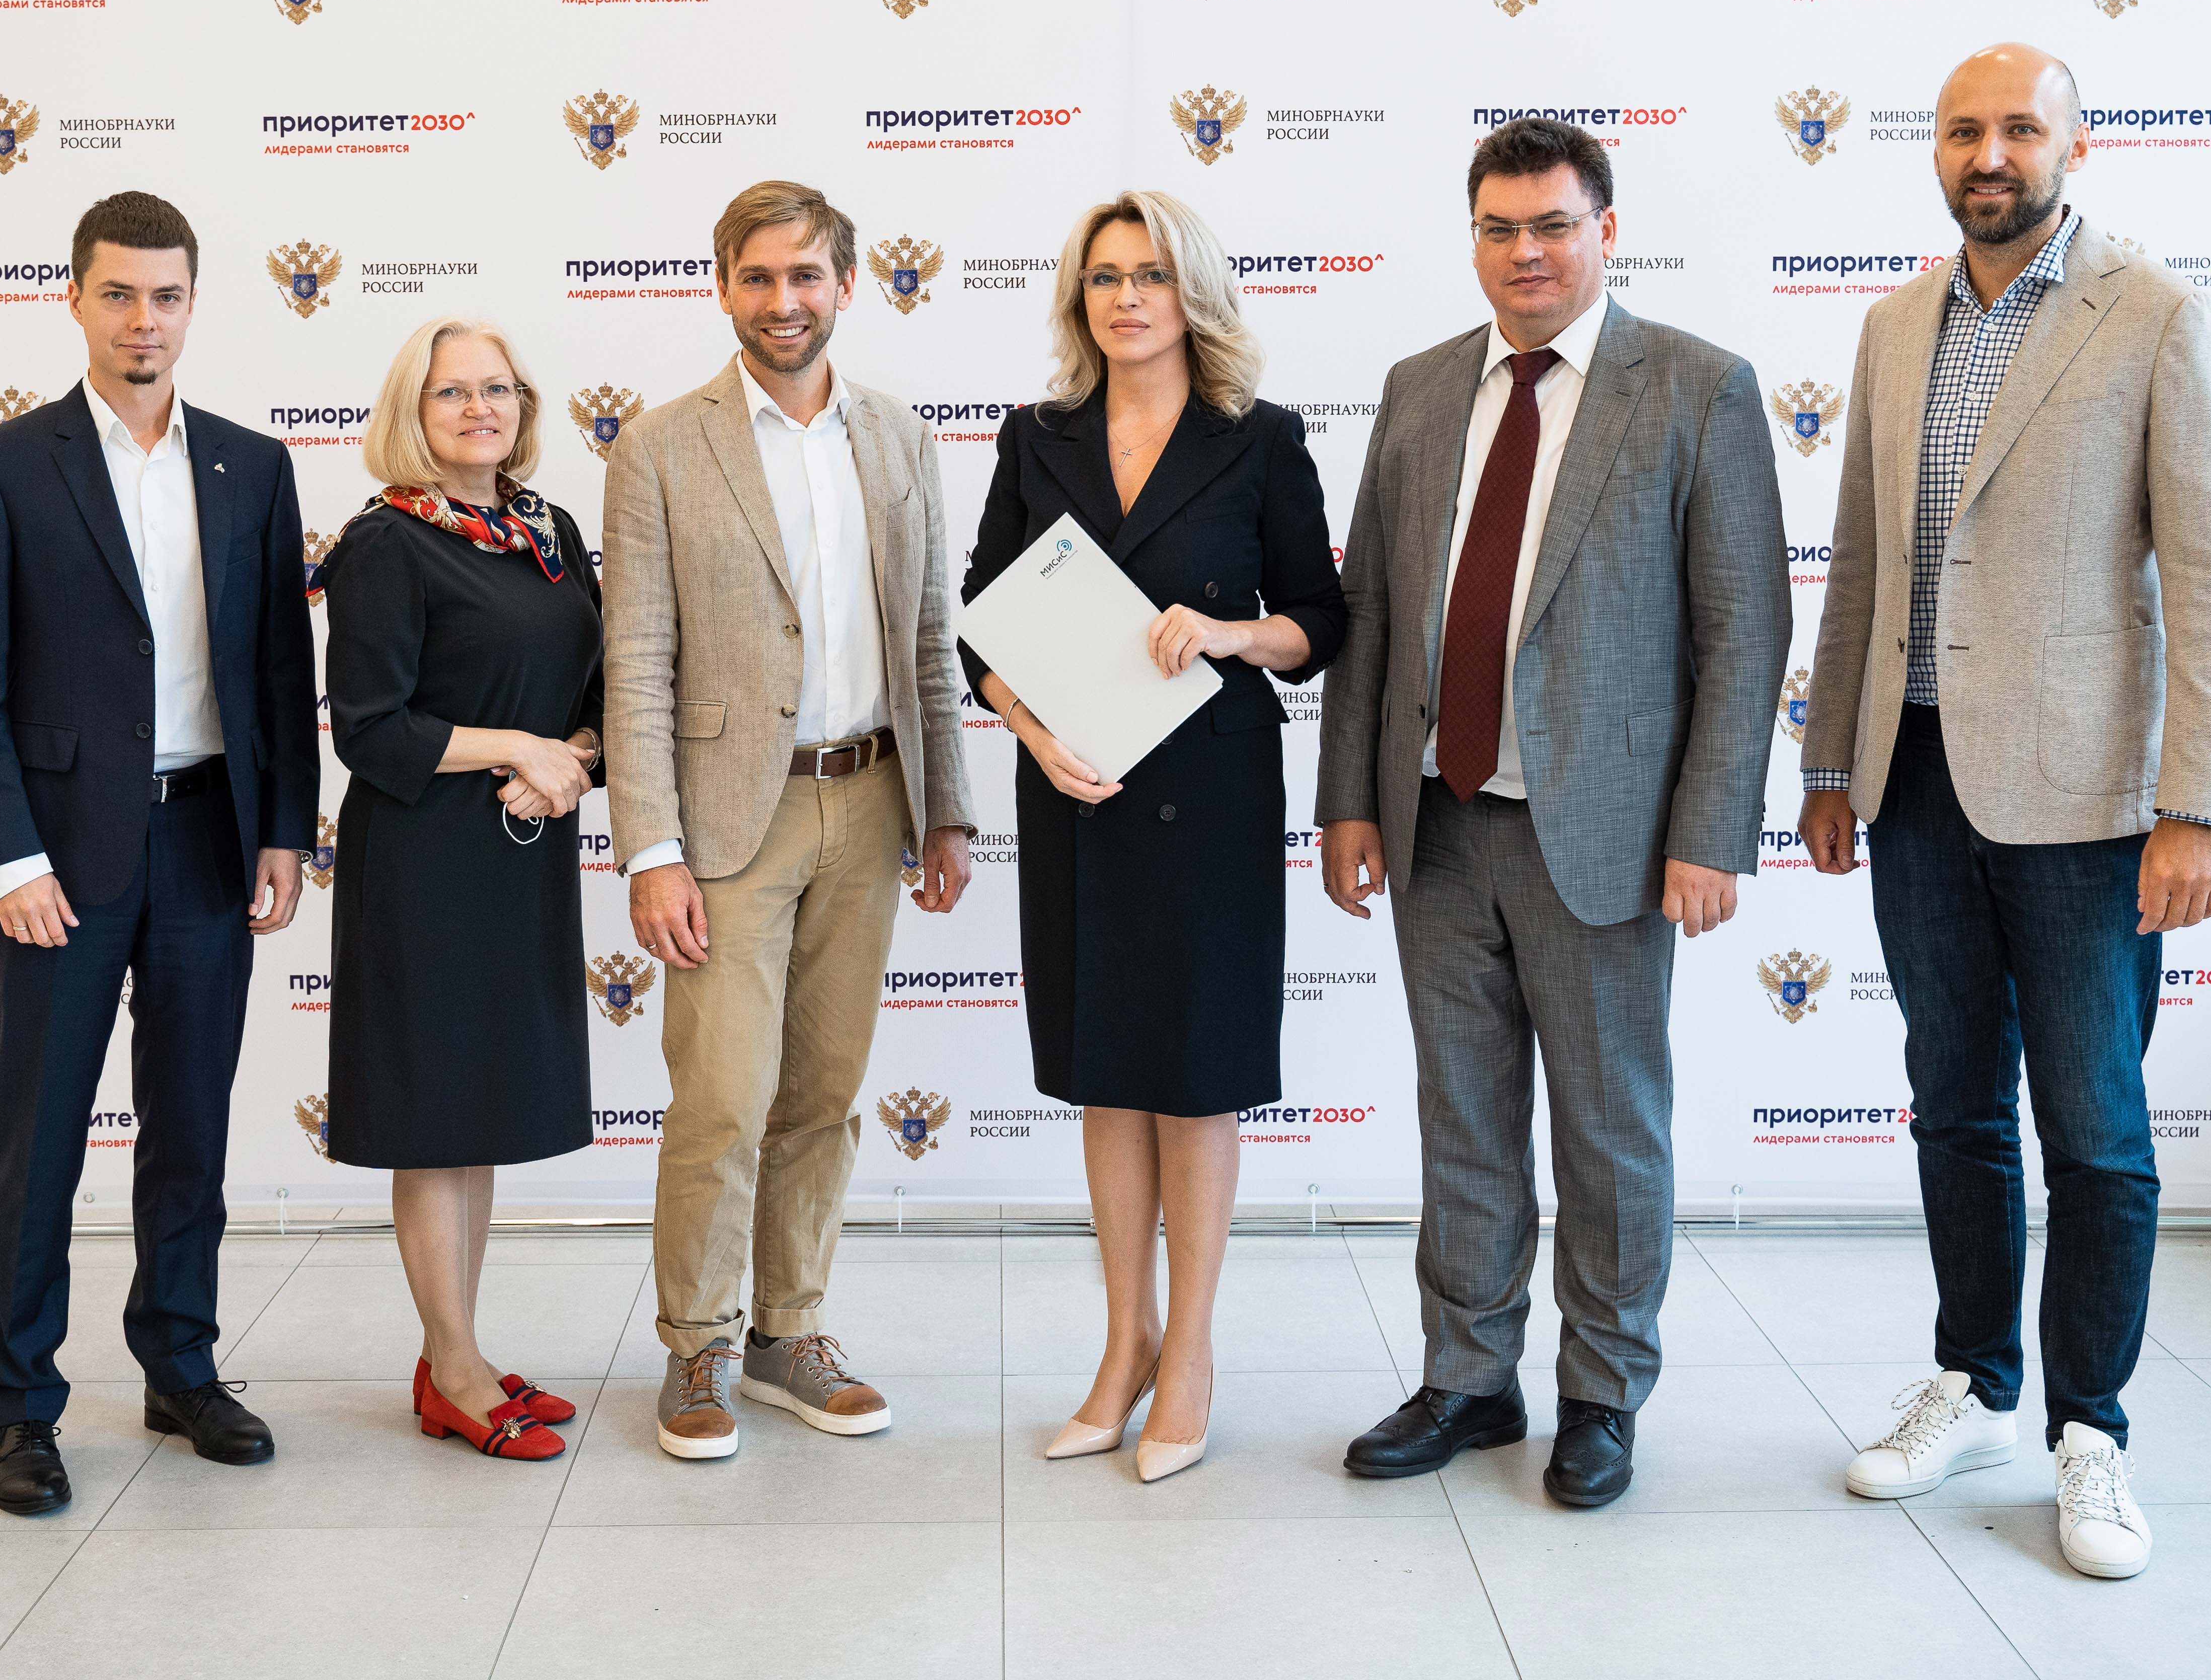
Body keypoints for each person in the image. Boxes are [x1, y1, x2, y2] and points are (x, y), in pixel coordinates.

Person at [1798, 43, 2211, 1581]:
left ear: (2076, 144)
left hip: (2089, 800)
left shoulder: (2159, 314)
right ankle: (1979, 1383)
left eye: (2016, 129)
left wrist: (2198, 807)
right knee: (1954, 1104)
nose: (1987, 154)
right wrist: (1829, 762)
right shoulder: (1893, 323)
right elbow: (1863, 563)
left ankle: (2092, 1430)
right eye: (1961, 130)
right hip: (1916, 782)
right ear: (1935, 150)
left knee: (2098, 1131)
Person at [1316, 119, 1790, 1507]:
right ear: (1473, 238)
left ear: (1606, 230)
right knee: (1462, 1121)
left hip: (1611, 837)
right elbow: (1370, 612)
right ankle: (1469, 1377)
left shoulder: (1695, 386)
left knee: (1608, 1131)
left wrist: (1710, 829)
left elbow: (1745, 626)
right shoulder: (1418, 389)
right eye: (1499, 228)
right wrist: (1346, 802)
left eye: (1552, 225)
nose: (1525, 252)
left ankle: (1603, 1391)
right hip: (1434, 823)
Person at [0, 191, 319, 1515]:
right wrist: (9, 859)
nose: (144, 320)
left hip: (210, 836)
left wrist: (285, 827)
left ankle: (182, 1367)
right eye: (119, 294)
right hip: (61, 859)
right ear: (76, 299)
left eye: (167, 296)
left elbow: (280, 667)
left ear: (193, 304)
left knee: (190, 1123)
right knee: (40, 1136)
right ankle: (21, 1407)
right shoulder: (2, 465)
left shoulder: (252, 466)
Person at [959, 191, 1345, 1483]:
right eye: (1105, 277)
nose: (1127, 298)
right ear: (1079, 298)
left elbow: (1318, 621)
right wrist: (1028, 731)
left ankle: (1189, 1354)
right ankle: (1121, 1345)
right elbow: (978, 621)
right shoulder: (1036, 436)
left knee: (1195, 1075)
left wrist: (1230, 633)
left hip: (1211, 796)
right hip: (1077, 793)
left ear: (1193, 294)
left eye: (1152, 276)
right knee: (1107, 1071)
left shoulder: (1258, 437)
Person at [602, 180, 976, 1461]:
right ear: (722, 287)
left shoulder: (899, 436)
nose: (782, 301)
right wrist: (651, 850)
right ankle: (697, 1344)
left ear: (845, 286)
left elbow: (930, 634)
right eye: (757, 276)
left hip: (870, 802)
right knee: (721, 1094)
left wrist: (947, 810)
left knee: (823, 1089)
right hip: (724, 821)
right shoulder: (660, 447)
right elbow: (635, 660)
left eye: (805, 275)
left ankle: (788, 1333)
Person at [319, 317, 604, 1462]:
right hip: (423, 862)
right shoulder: (385, 541)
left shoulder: (548, 530)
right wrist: (515, 749)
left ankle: (461, 1350)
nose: (479, 407)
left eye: (498, 388)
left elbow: (596, 686)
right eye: (451, 392)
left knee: (476, 1110)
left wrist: (570, 756)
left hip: (520, 855)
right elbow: (369, 728)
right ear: (413, 409)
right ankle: (452, 1368)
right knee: (436, 1118)